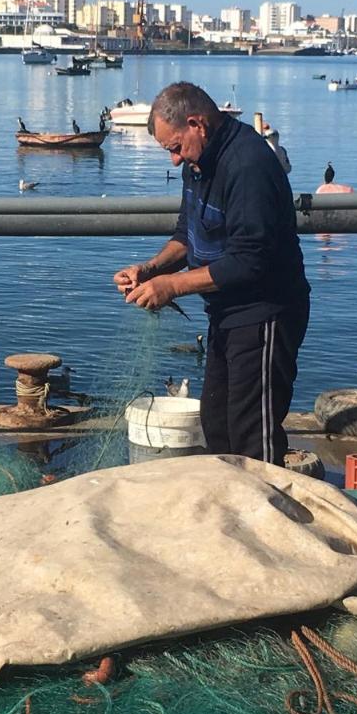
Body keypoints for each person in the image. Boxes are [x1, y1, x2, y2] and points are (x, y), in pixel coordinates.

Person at [112, 82, 310, 466]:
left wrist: (170, 286)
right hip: (225, 314)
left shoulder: (248, 165)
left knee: (253, 435)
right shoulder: (198, 162)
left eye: (174, 147)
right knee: (217, 423)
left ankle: (266, 519)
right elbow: (188, 232)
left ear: (196, 124)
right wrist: (151, 269)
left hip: (265, 313)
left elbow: (249, 260)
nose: (173, 160)